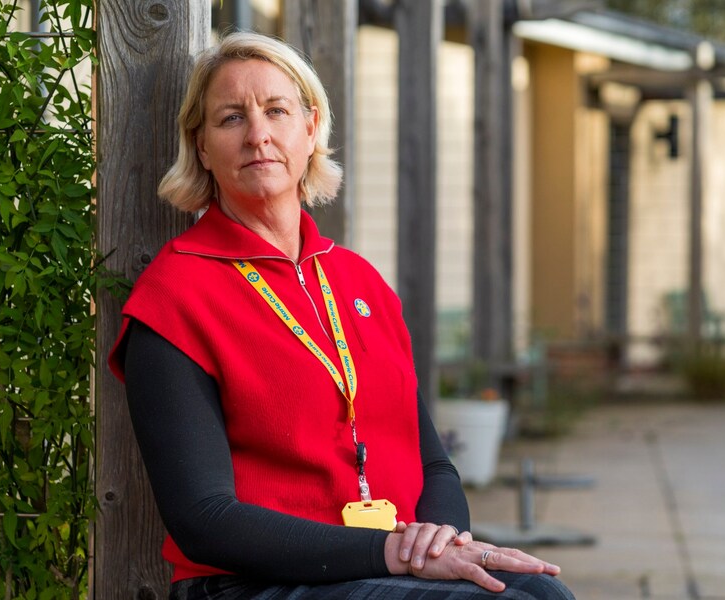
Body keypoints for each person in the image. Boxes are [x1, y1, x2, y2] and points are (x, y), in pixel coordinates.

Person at [108, 31, 575, 600]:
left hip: (383, 565)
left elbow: (434, 465)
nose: (258, 135)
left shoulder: (359, 281)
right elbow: (203, 518)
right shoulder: (175, 294)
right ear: (201, 147)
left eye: (276, 111)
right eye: (231, 118)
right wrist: (393, 553)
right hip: (253, 584)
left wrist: (439, 542)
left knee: (544, 593)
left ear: (310, 129)